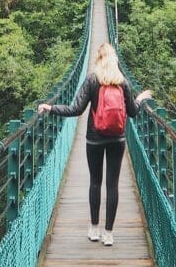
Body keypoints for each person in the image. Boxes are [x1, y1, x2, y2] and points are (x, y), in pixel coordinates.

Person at [38, 42, 151, 246]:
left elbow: (76, 109)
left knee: (95, 182)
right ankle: (109, 233)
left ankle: (94, 229)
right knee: (113, 185)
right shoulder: (122, 82)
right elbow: (133, 113)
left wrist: (51, 108)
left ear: (98, 59)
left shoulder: (91, 80)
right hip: (117, 139)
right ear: (115, 60)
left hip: (94, 138)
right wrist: (140, 99)